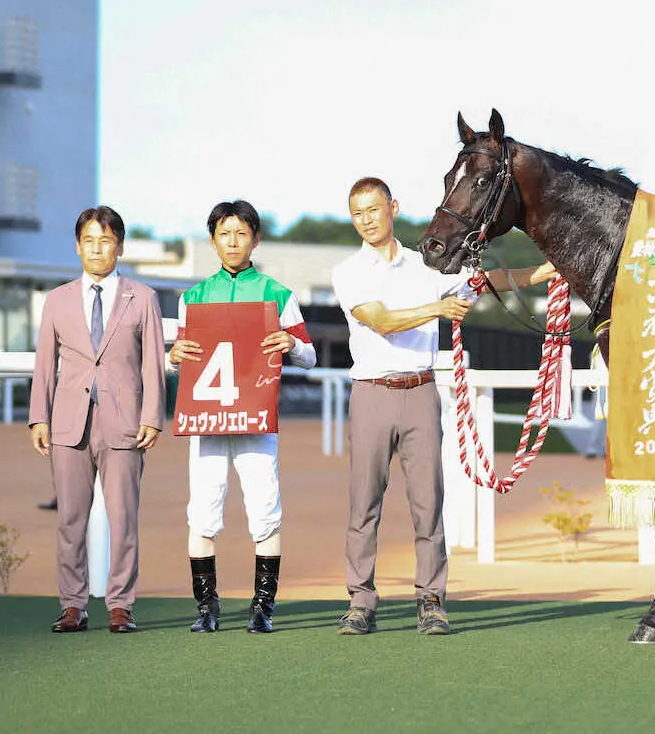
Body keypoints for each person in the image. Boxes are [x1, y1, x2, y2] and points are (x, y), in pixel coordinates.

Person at [332, 177, 555, 636]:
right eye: (357, 213)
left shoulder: (427, 266)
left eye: (374, 209)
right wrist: (439, 309)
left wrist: (550, 270)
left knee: (428, 503)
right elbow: (382, 321)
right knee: (364, 504)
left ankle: (431, 600)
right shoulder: (348, 271)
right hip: (371, 392)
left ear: (392, 207)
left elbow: (486, 282)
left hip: (420, 394)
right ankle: (360, 601)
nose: (367, 220)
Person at [166, 200, 317, 633]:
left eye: (241, 233)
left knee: (265, 508)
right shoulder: (192, 298)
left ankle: (262, 608)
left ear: (255, 238)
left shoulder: (278, 294)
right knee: (203, 510)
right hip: (208, 421)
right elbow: (180, 360)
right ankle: (206, 609)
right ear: (212, 240)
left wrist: (291, 346)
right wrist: (171, 357)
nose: (233, 242)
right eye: (224, 233)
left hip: (255, 418)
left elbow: (309, 355)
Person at [29, 206, 167, 633]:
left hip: (125, 424)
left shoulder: (142, 298)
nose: (96, 249)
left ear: (119, 247)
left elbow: (153, 365)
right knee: (70, 518)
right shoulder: (57, 300)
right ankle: (73, 604)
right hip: (69, 424)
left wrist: (153, 417)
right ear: (77, 246)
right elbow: (44, 364)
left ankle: (121, 604)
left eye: (105, 241)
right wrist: (39, 418)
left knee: (123, 517)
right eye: (89, 240)